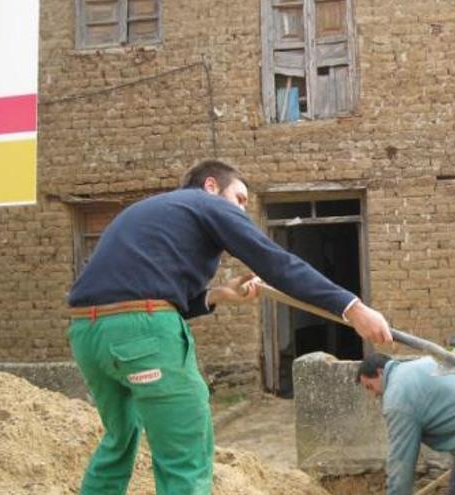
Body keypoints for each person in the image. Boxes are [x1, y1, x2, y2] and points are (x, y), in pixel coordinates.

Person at [67, 159, 392, 494]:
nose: (242, 209)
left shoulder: (155, 212)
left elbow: (139, 290)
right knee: (184, 457)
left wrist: (220, 295)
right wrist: (352, 308)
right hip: (143, 335)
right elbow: (276, 262)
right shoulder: (205, 203)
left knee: (119, 440)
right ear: (211, 186)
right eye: (239, 198)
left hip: (87, 334)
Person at [356, 353, 455, 495]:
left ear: (380, 372)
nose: (374, 395)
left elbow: (401, 461)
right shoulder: (419, 364)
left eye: (370, 387)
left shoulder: (397, 398)